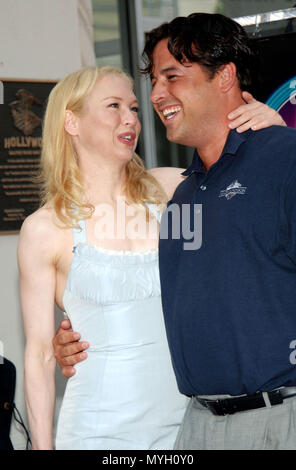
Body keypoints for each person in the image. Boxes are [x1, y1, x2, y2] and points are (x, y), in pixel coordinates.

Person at [52, 13, 296, 451]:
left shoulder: (283, 161)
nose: (155, 96)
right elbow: (187, 291)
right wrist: (83, 330)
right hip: (197, 424)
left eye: (172, 77)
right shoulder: (183, 194)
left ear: (224, 77)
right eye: (154, 81)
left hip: (279, 419)